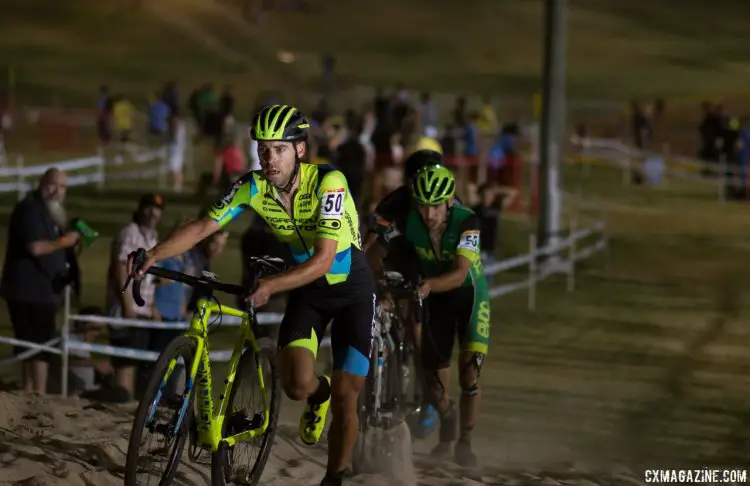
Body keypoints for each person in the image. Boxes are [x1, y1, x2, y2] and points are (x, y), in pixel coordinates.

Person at [127, 104, 375, 486]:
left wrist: (272, 285)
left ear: (300, 150)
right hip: (308, 291)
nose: (269, 158)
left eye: (279, 149)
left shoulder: (329, 182)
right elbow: (203, 226)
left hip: (352, 292)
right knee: (295, 386)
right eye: (263, 149)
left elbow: (325, 259)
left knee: (348, 395)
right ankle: (317, 392)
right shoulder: (253, 186)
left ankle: (334, 476)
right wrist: (153, 255)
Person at [374, 165, 490, 466]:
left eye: (435, 205)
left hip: (468, 295)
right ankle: (447, 418)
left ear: (449, 201)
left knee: (469, 373)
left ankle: (465, 441)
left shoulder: (468, 221)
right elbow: (379, 249)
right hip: (432, 297)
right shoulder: (409, 221)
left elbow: (460, 272)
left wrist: (426, 286)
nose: (428, 214)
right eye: (422, 205)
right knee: (433, 383)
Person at [0, 168, 80, 394]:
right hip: (29, 290)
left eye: (62, 186)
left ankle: (29, 389)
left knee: (32, 342)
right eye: (53, 184)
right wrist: (65, 242)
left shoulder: (50, 212)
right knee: (38, 343)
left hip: (43, 290)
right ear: (42, 183)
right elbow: (35, 247)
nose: (57, 191)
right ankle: (39, 394)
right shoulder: (30, 209)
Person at [106, 193, 164, 398]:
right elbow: (120, 267)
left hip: (144, 311)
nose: (152, 213)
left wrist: (153, 306)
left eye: (157, 209)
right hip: (127, 310)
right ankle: (120, 402)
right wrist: (127, 303)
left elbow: (150, 278)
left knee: (137, 363)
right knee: (125, 363)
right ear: (140, 210)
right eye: (148, 208)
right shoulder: (129, 233)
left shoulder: (152, 238)